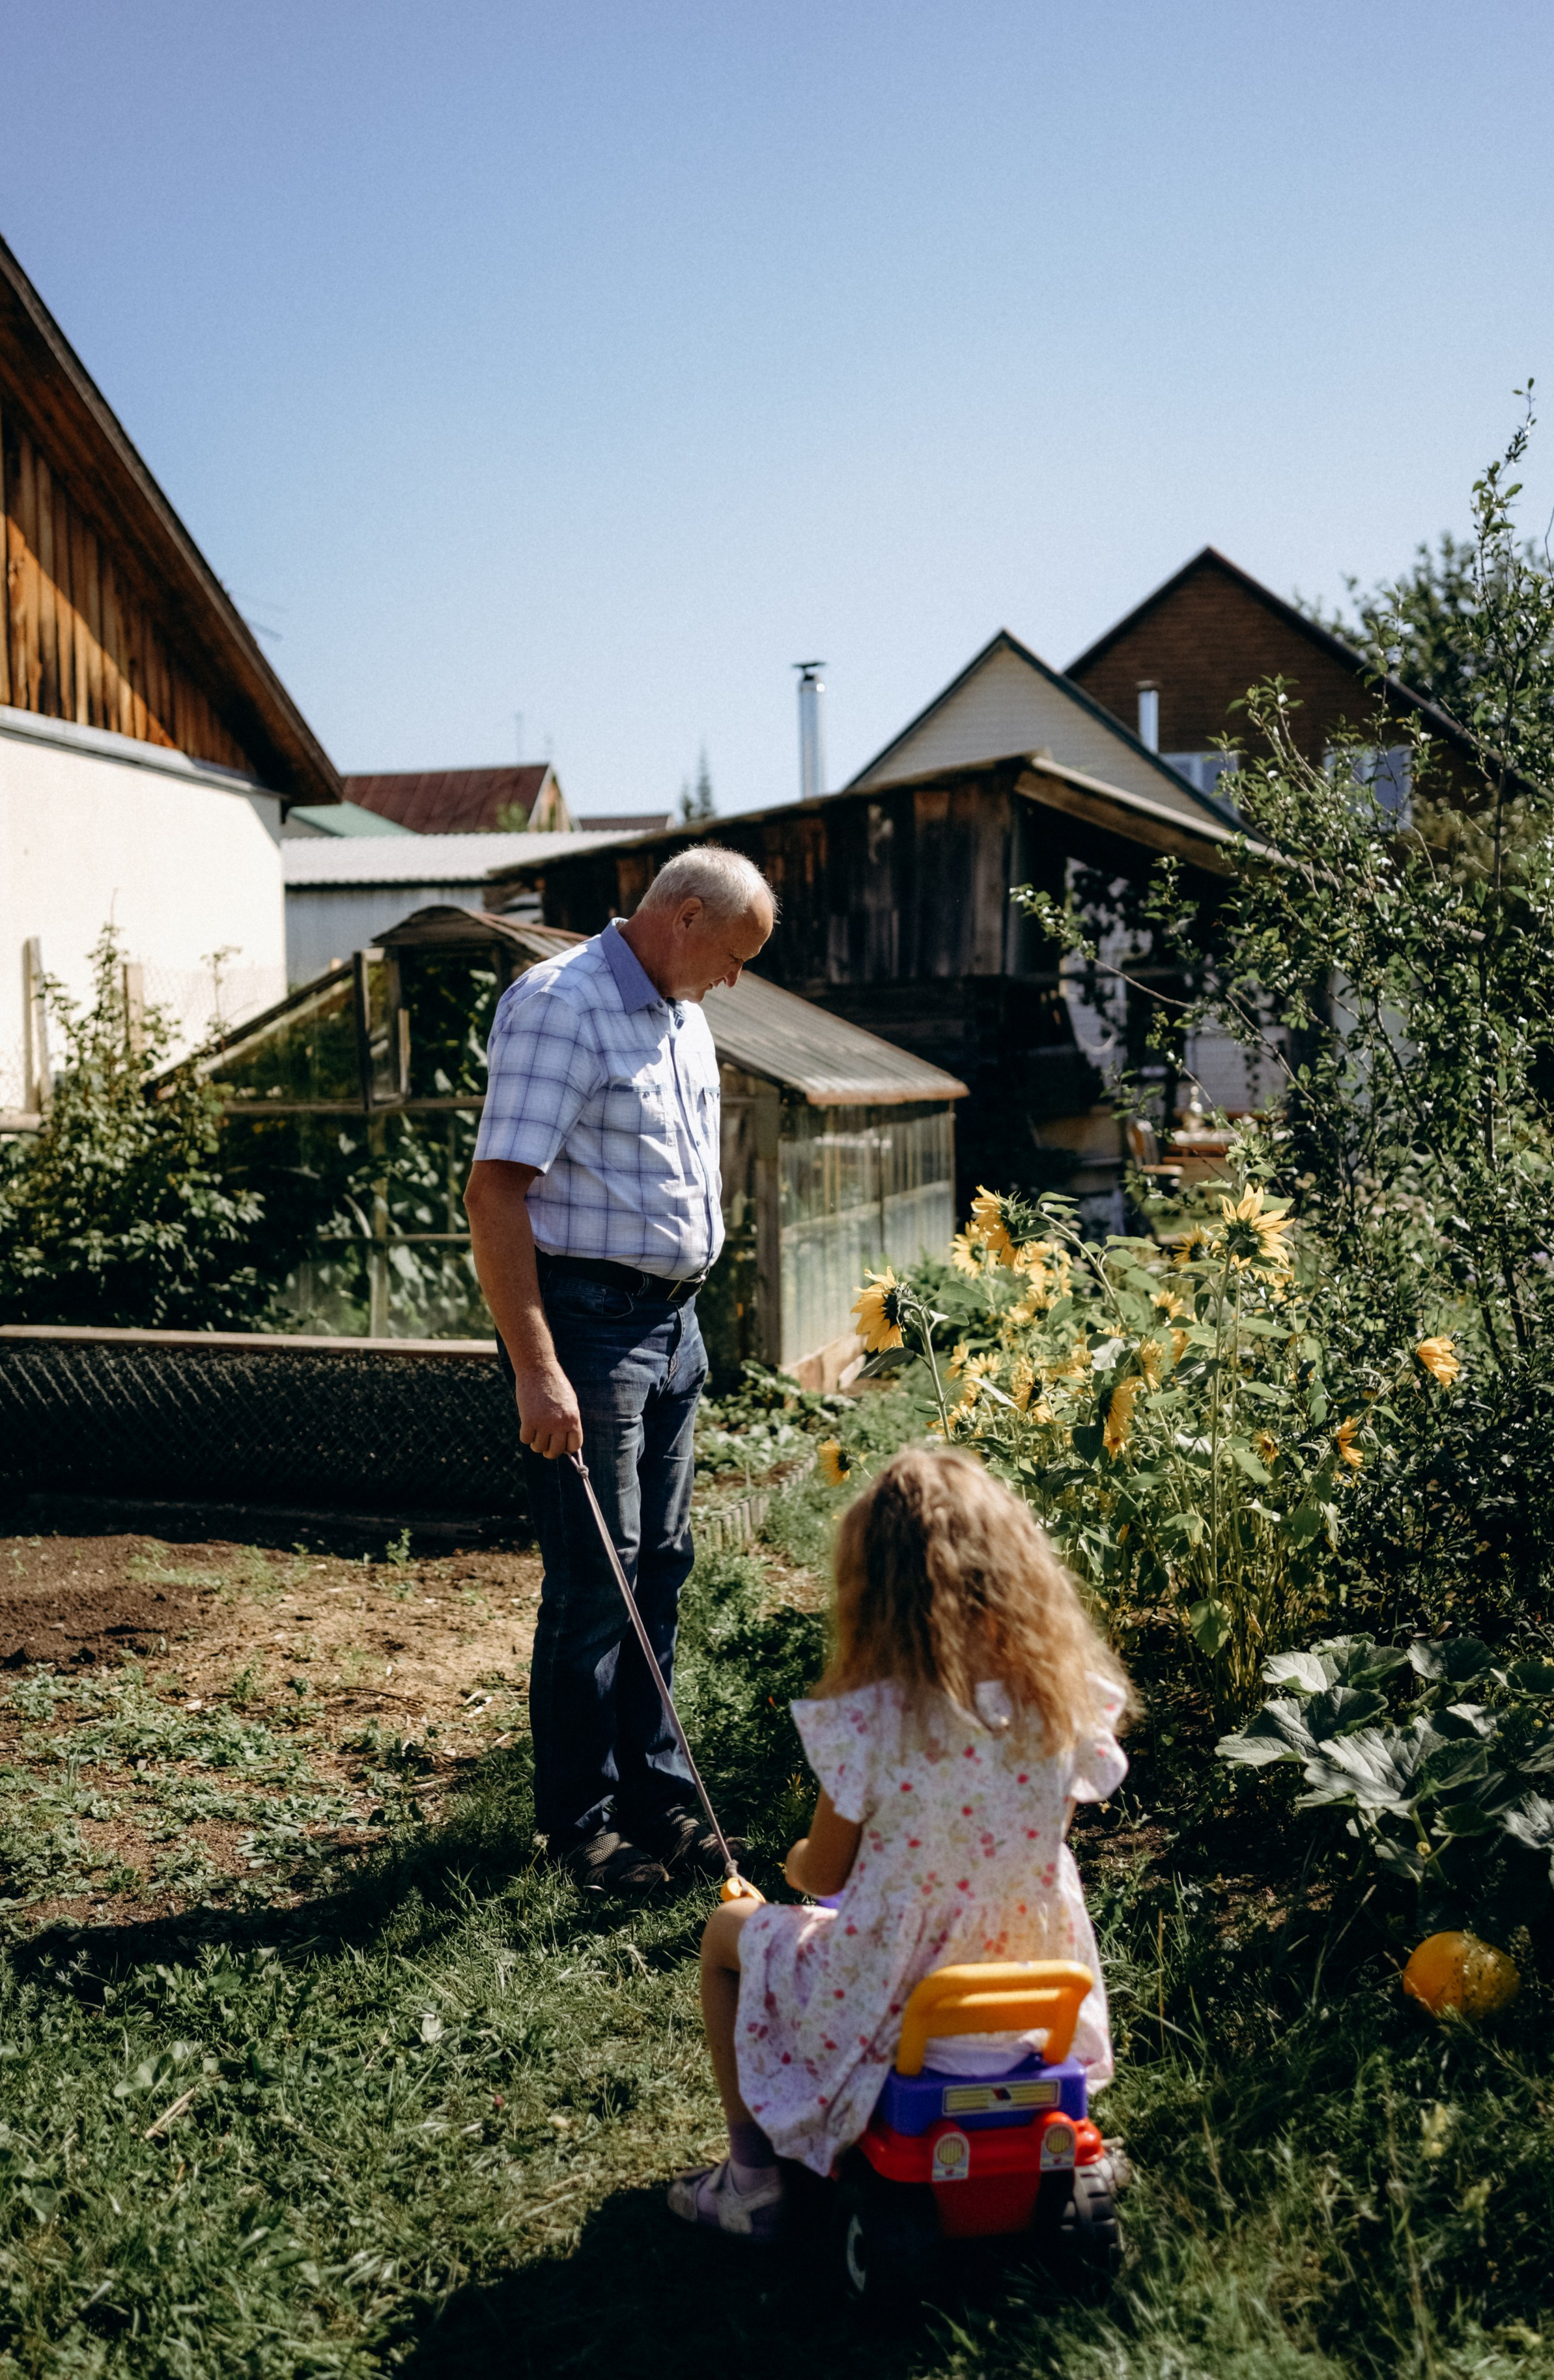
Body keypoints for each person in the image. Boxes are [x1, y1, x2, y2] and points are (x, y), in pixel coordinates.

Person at [668, 1445, 1130, 2241]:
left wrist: (786, 1871)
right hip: (1027, 1994)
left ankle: (752, 2179)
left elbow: (825, 1873)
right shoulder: (1059, 1709)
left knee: (727, 1934)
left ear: (874, 1594)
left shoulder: (872, 1725)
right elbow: (1020, 1841)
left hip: (892, 2001)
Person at [464, 845, 776, 1899]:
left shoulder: (683, 1014)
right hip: (591, 1331)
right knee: (599, 1581)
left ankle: (661, 1798)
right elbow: (497, 1194)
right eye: (732, 956)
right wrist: (537, 1367)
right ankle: (581, 1826)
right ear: (683, 918)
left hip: (674, 1326)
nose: (735, 981)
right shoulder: (563, 1006)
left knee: (663, 1567)